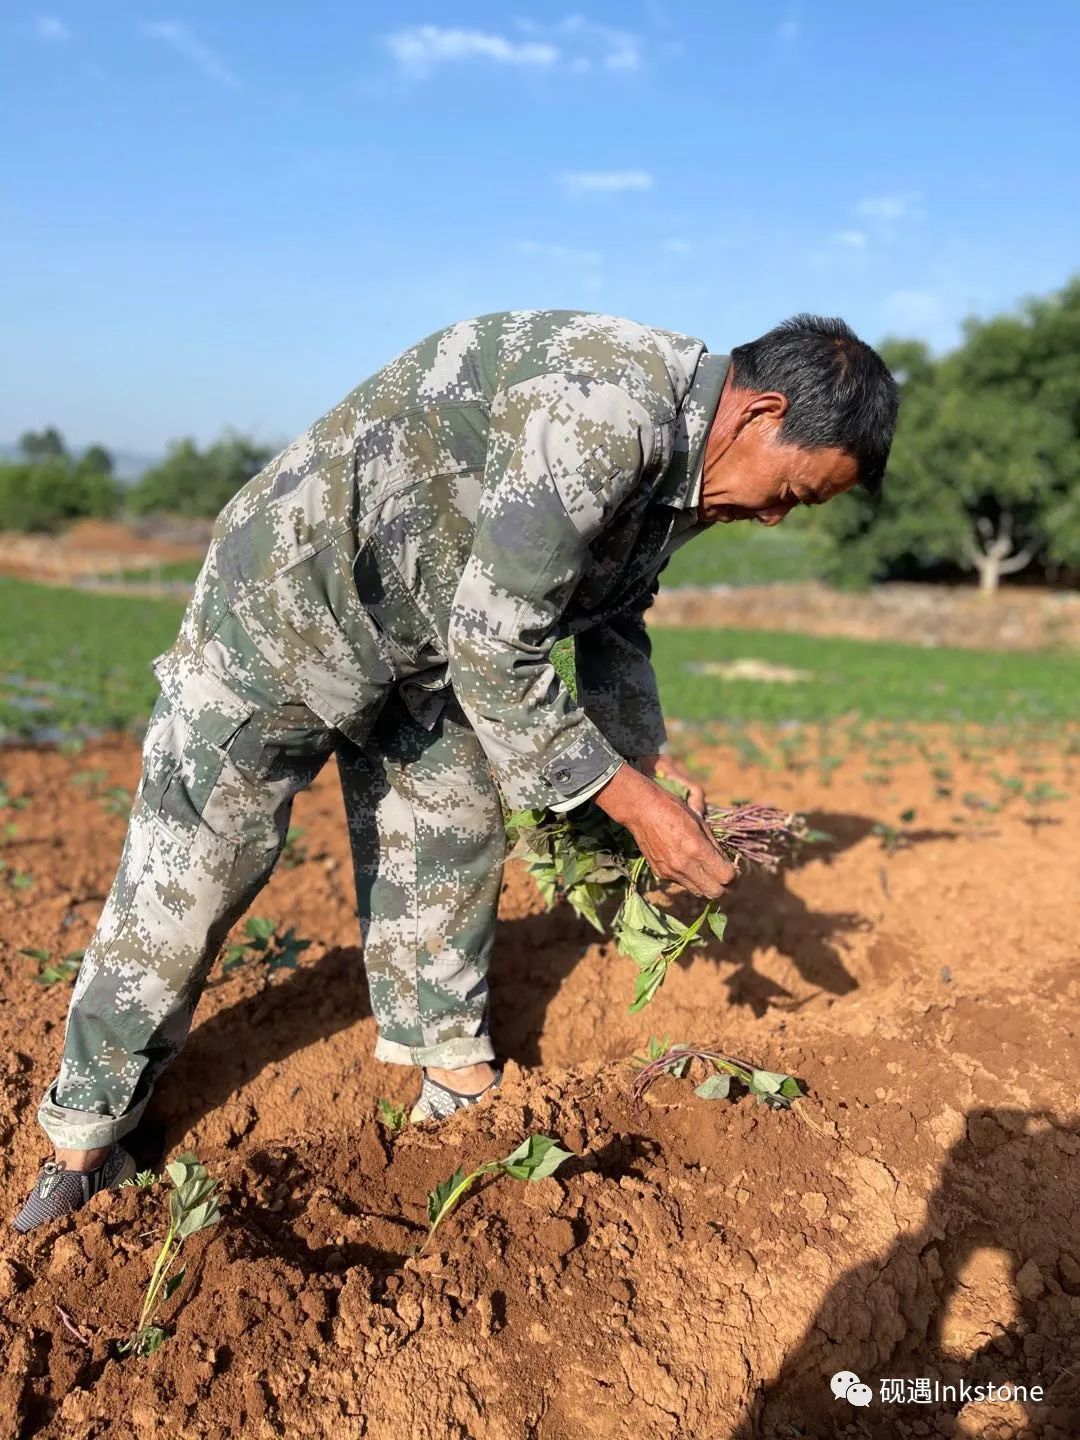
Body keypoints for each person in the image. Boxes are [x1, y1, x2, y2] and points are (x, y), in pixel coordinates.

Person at [13, 309, 898, 1232]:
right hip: (293, 607)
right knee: (194, 873)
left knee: (452, 832)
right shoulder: (608, 410)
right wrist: (631, 804)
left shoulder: (695, 468)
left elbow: (613, 613)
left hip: (429, 641)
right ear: (761, 412)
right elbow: (497, 641)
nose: (772, 515)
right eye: (792, 491)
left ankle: (455, 1083)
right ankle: (83, 1144)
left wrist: (643, 754)